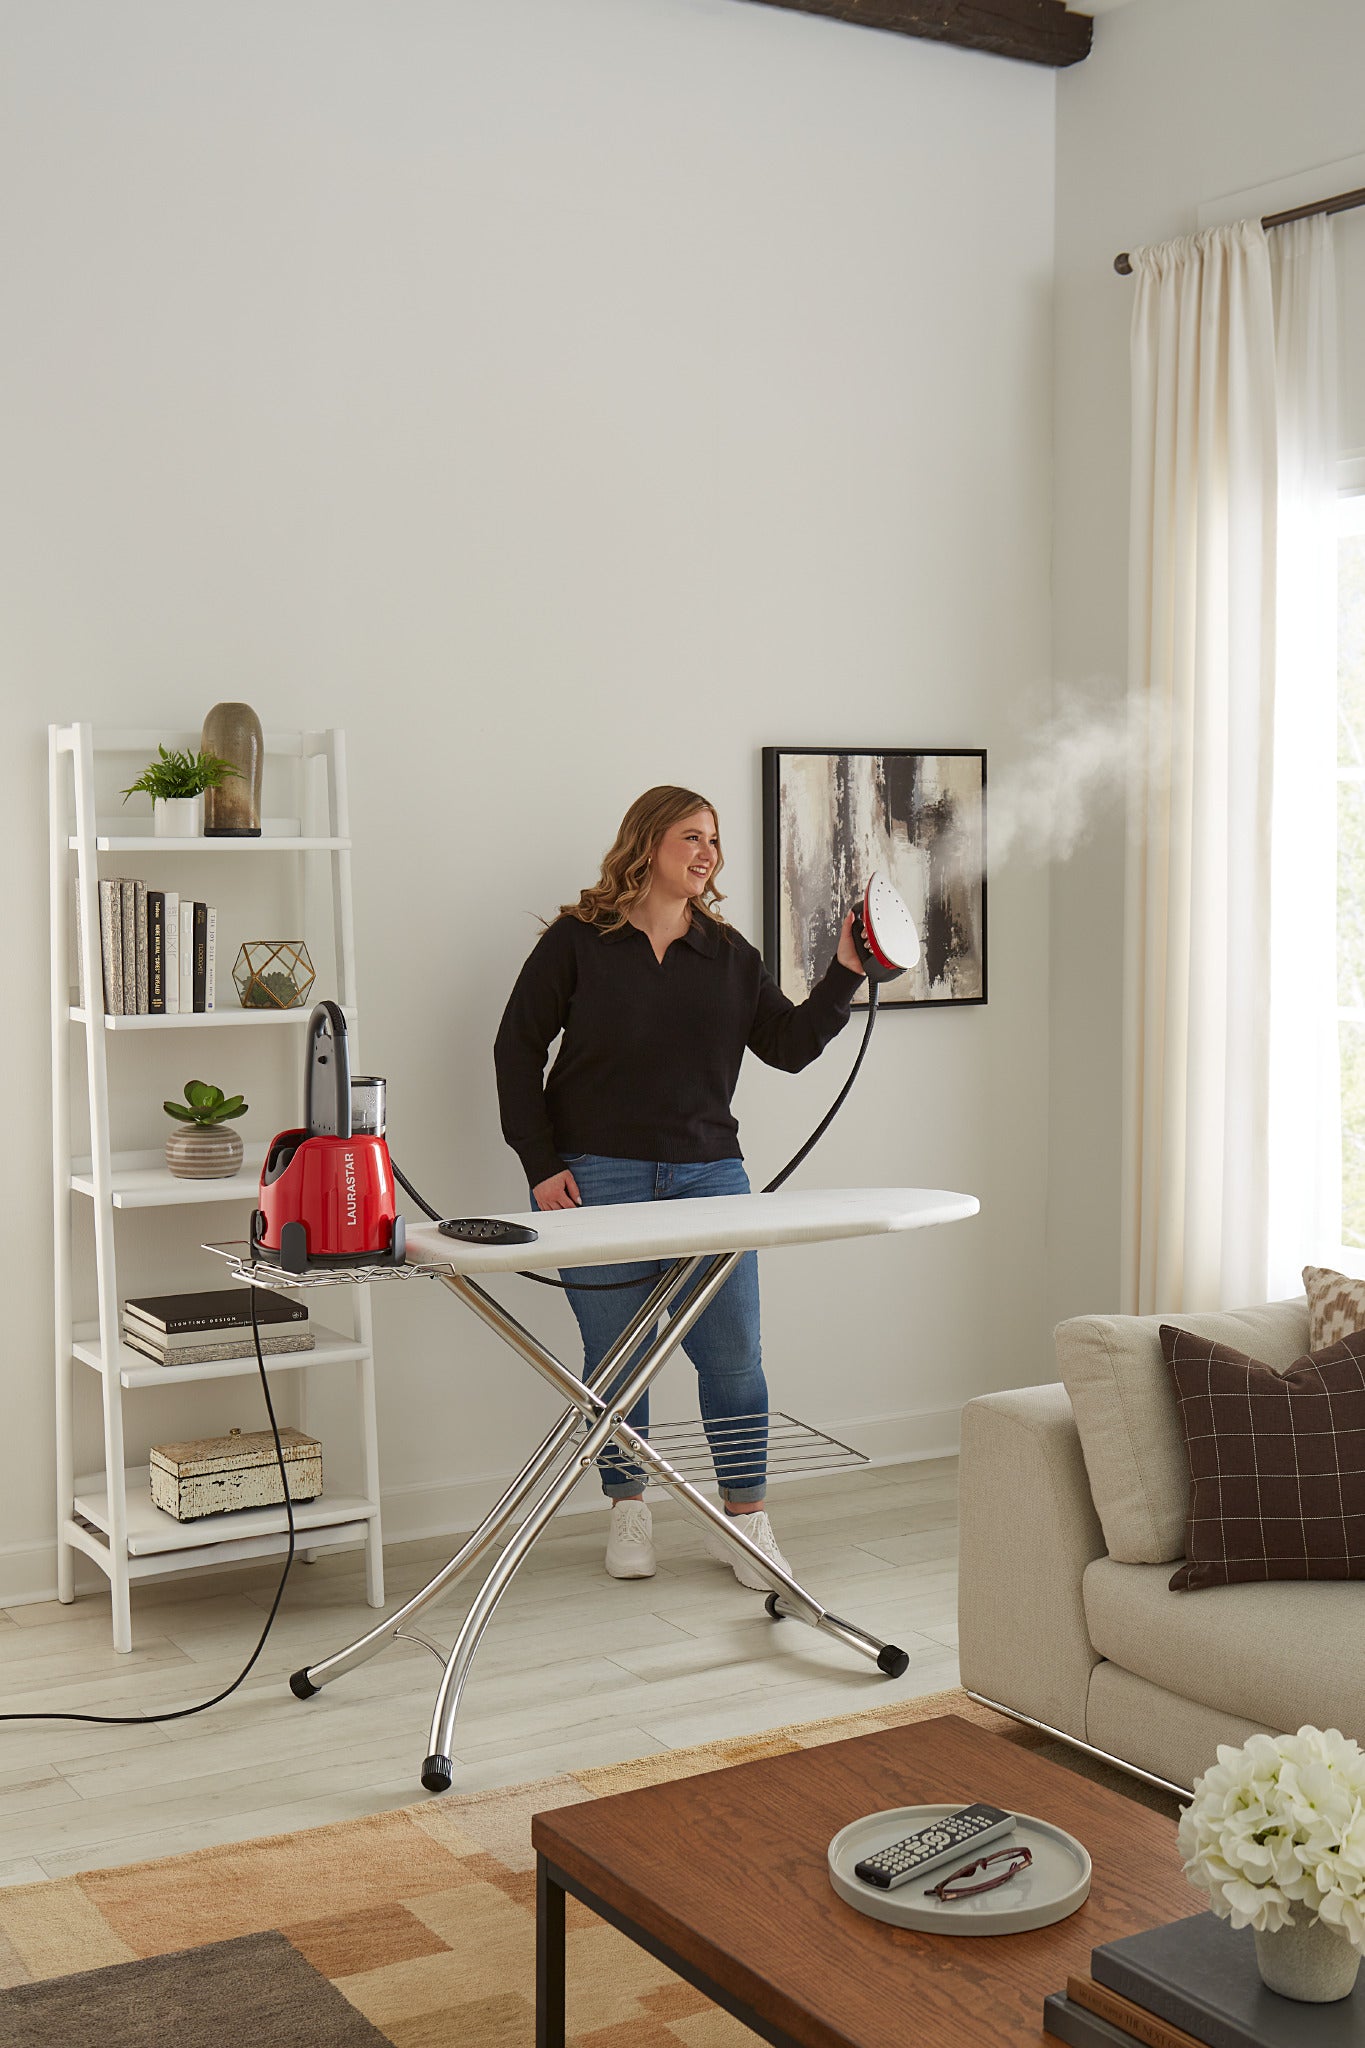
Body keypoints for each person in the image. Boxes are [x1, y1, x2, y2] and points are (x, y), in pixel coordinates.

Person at [493, 784, 866, 1585]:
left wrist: (843, 973)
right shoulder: (577, 942)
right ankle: (628, 1507)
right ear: (647, 841)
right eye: (692, 836)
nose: (707, 854)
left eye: (713, 840)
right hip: (594, 1177)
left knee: (733, 1358)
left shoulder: (728, 955)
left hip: (710, 1177)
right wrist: (539, 1163)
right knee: (616, 1359)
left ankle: (745, 1522)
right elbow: (515, 1047)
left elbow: (788, 1046)